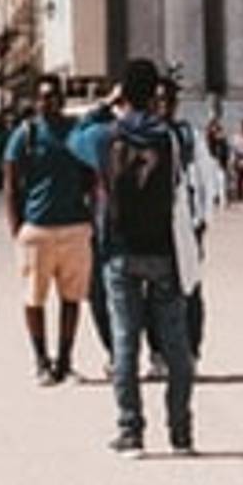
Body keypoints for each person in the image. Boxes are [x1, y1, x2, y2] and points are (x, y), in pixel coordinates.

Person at [71, 60, 195, 455]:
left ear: (123, 92)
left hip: (119, 249)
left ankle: (131, 432)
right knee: (176, 343)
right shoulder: (174, 138)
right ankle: (180, 433)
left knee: (125, 342)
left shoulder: (104, 136)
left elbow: (74, 137)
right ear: (155, 94)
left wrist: (106, 105)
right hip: (164, 249)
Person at [0, 77, 97, 386]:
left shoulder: (77, 131)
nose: (49, 102)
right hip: (37, 227)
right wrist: (17, 228)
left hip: (74, 225)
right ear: (36, 101)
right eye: (43, 97)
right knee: (34, 298)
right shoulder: (25, 134)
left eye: (54, 97)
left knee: (72, 298)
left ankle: (65, 362)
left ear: (63, 99)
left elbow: (91, 174)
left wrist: (90, 216)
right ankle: (41, 360)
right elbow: (11, 184)